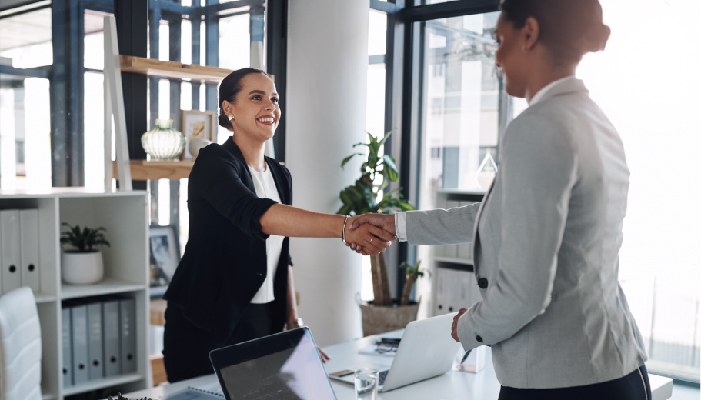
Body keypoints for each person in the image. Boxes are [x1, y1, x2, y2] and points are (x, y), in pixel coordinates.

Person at [349, 1, 652, 399]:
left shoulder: (537, 127)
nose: (496, 56)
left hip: (560, 384)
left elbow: (524, 292)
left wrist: (468, 327)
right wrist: (398, 226)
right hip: (615, 365)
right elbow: (500, 215)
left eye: (498, 39)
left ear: (528, 33)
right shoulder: (596, 121)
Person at [163, 68, 395, 382]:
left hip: (262, 319)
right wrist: (346, 226)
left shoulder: (279, 174)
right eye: (256, 97)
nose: (270, 106)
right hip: (205, 320)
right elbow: (255, 214)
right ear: (228, 108)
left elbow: (281, 252)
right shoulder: (213, 161)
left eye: (274, 99)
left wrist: (292, 319)